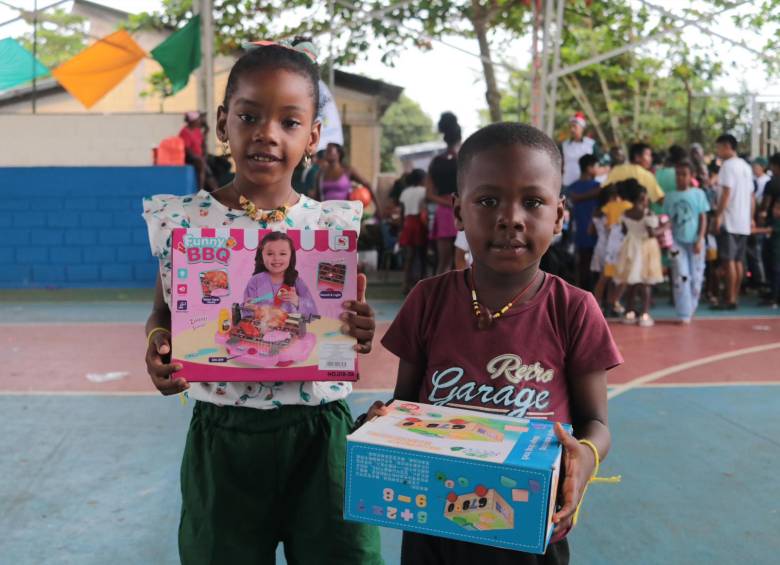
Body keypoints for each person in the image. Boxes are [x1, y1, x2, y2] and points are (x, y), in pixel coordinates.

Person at [142, 38, 382, 564]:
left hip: (321, 435)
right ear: (224, 121)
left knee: (345, 556)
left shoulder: (330, 225)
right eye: (249, 116)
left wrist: (358, 326)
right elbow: (163, 311)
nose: (267, 134)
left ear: (314, 136)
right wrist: (160, 343)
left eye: (289, 122)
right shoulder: (183, 221)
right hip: (223, 439)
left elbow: (337, 320)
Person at [361, 122, 623, 565]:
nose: (511, 217)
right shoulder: (428, 299)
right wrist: (379, 422)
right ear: (458, 211)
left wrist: (588, 456)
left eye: (533, 202)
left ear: (559, 215)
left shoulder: (574, 310)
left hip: (531, 527)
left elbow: (596, 422)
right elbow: (404, 404)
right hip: (434, 528)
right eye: (488, 201)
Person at [663, 160, 710, 323]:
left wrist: (700, 238)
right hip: (677, 242)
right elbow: (668, 219)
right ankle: (683, 312)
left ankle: (692, 306)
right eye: (678, 174)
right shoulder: (670, 196)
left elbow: (703, 217)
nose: (680, 178)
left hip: (696, 241)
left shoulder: (698, 194)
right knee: (681, 275)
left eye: (684, 174)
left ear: (691, 176)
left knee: (696, 276)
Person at [712, 134, 755, 310]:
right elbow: (752, 197)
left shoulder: (727, 166)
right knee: (738, 261)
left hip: (730, 220)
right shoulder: (746, 166)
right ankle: (734, 296)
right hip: (743, 220)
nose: (717, 151)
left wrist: (718, 216)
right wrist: (750, 217)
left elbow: (726, 194)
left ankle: (729, 298)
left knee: (729, 260)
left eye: (719, 147)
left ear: (727, 146)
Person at [613, 179, 664, 327]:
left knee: (632, 283)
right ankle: (645, 315)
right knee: (646, 283)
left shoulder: (626, 213)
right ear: (642, 197)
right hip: (646, 248)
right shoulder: (647, 213)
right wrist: (666, 227)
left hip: (630, 248)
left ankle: (629, 313)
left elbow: (624, 230)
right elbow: (651, 233)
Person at [243, 231, 317, 316]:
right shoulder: (255, 281)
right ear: (261, 256)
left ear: (291, 256)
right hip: (262, 327)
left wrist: (297, 301)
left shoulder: (297, 282)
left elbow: (313, 311)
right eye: (270, 254)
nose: (276, 258)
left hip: (291, 328)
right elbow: (246, 311)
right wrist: (249, 307)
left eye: (283, 254)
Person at [427, 112, 461, 274]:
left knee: (443, 262)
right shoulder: (464, 159)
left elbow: (429, 194)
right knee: (461, 261)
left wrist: (446, 202)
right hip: (462, 211)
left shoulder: (436, 162)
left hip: (443, 212)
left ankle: (439, 298)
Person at [566, 153, 601, 290]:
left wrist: (577, 197)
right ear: (589, 168)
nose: (598, 170)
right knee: (595, 266)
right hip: (595, 233)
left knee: (582, 265)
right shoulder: (597, 186)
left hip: (578, 232)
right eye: (597, 167)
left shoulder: (571, 188)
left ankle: (581, 292)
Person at [398, 168, 429, 293]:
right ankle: (423, 283)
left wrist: (401, 228)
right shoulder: (424, 191)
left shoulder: (405, 192)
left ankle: (405, 283)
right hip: (419, 222)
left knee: (409, 256)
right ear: (422, 179)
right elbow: (424, 209)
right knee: (422, 255)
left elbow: (401, 211)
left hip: (407, 223)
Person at [589, 185, 619, 308]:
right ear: (612, 198)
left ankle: (607, 303)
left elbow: (590, 231)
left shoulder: (597, 211)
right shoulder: (611, 212)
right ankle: (598, 304)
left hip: (599, 247)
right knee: (605, 278)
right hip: (609, 248)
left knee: (607, 277)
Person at [561, 112, 599, 188]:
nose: (572, 129)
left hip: (587, 184)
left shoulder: (591, 144)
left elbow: (599, 163)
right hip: (568, 184)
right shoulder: (564, 145)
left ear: (582, 128)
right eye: (570, 127)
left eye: (575, 127)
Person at [180, 111, 209, 190]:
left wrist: (204, 155)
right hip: (189, 158)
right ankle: (200, 190)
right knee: (202, 164)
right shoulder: (184, 132)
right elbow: (187, 149)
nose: (199, 121)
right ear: (192, 121)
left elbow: (203, 144)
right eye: (198, 120)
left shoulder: (197, 131)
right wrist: (198, 157)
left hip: (199, 157)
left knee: (210, 170)